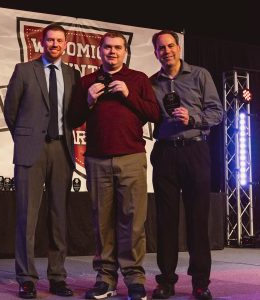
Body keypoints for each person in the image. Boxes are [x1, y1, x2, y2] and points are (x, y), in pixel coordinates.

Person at [69, 31, 161, 300]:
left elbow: (154, 114)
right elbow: (73, 120)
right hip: (97, 159)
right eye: (108, 47)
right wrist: (88, 100)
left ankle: (134, 278)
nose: (112, 52)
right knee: (101, 222)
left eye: (118, 48)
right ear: (100, 51)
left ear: (125, 51)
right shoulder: (87, 81)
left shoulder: (138, 79)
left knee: (133, 222)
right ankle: (105, 279)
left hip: (131, 157)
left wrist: (129, 94)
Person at [4, 23, 80, 299]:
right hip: (31, 151)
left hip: (62, 149)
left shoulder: (73, 73)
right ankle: (26, 278)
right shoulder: (24, 70)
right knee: (27, 217)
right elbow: (10, 111)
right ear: (42, 43)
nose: (55, 45)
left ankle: (58, 277)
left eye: (60, 41)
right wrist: (27, 139)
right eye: (50, 40)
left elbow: (75, 112)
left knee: (59, 218)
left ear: (65, 44)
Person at [149, 30, 224, 300]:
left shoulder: (200, 75)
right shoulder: (150, 83)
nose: (166, 51)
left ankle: (201, 283)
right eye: (161, 48)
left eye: (170, 46)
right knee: (165, 221)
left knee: (197, 219)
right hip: (165, 153)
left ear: (178, 48)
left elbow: (217, 112)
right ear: (155, 52)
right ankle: (166, 281)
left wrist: (192, 118)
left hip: (195, 150)